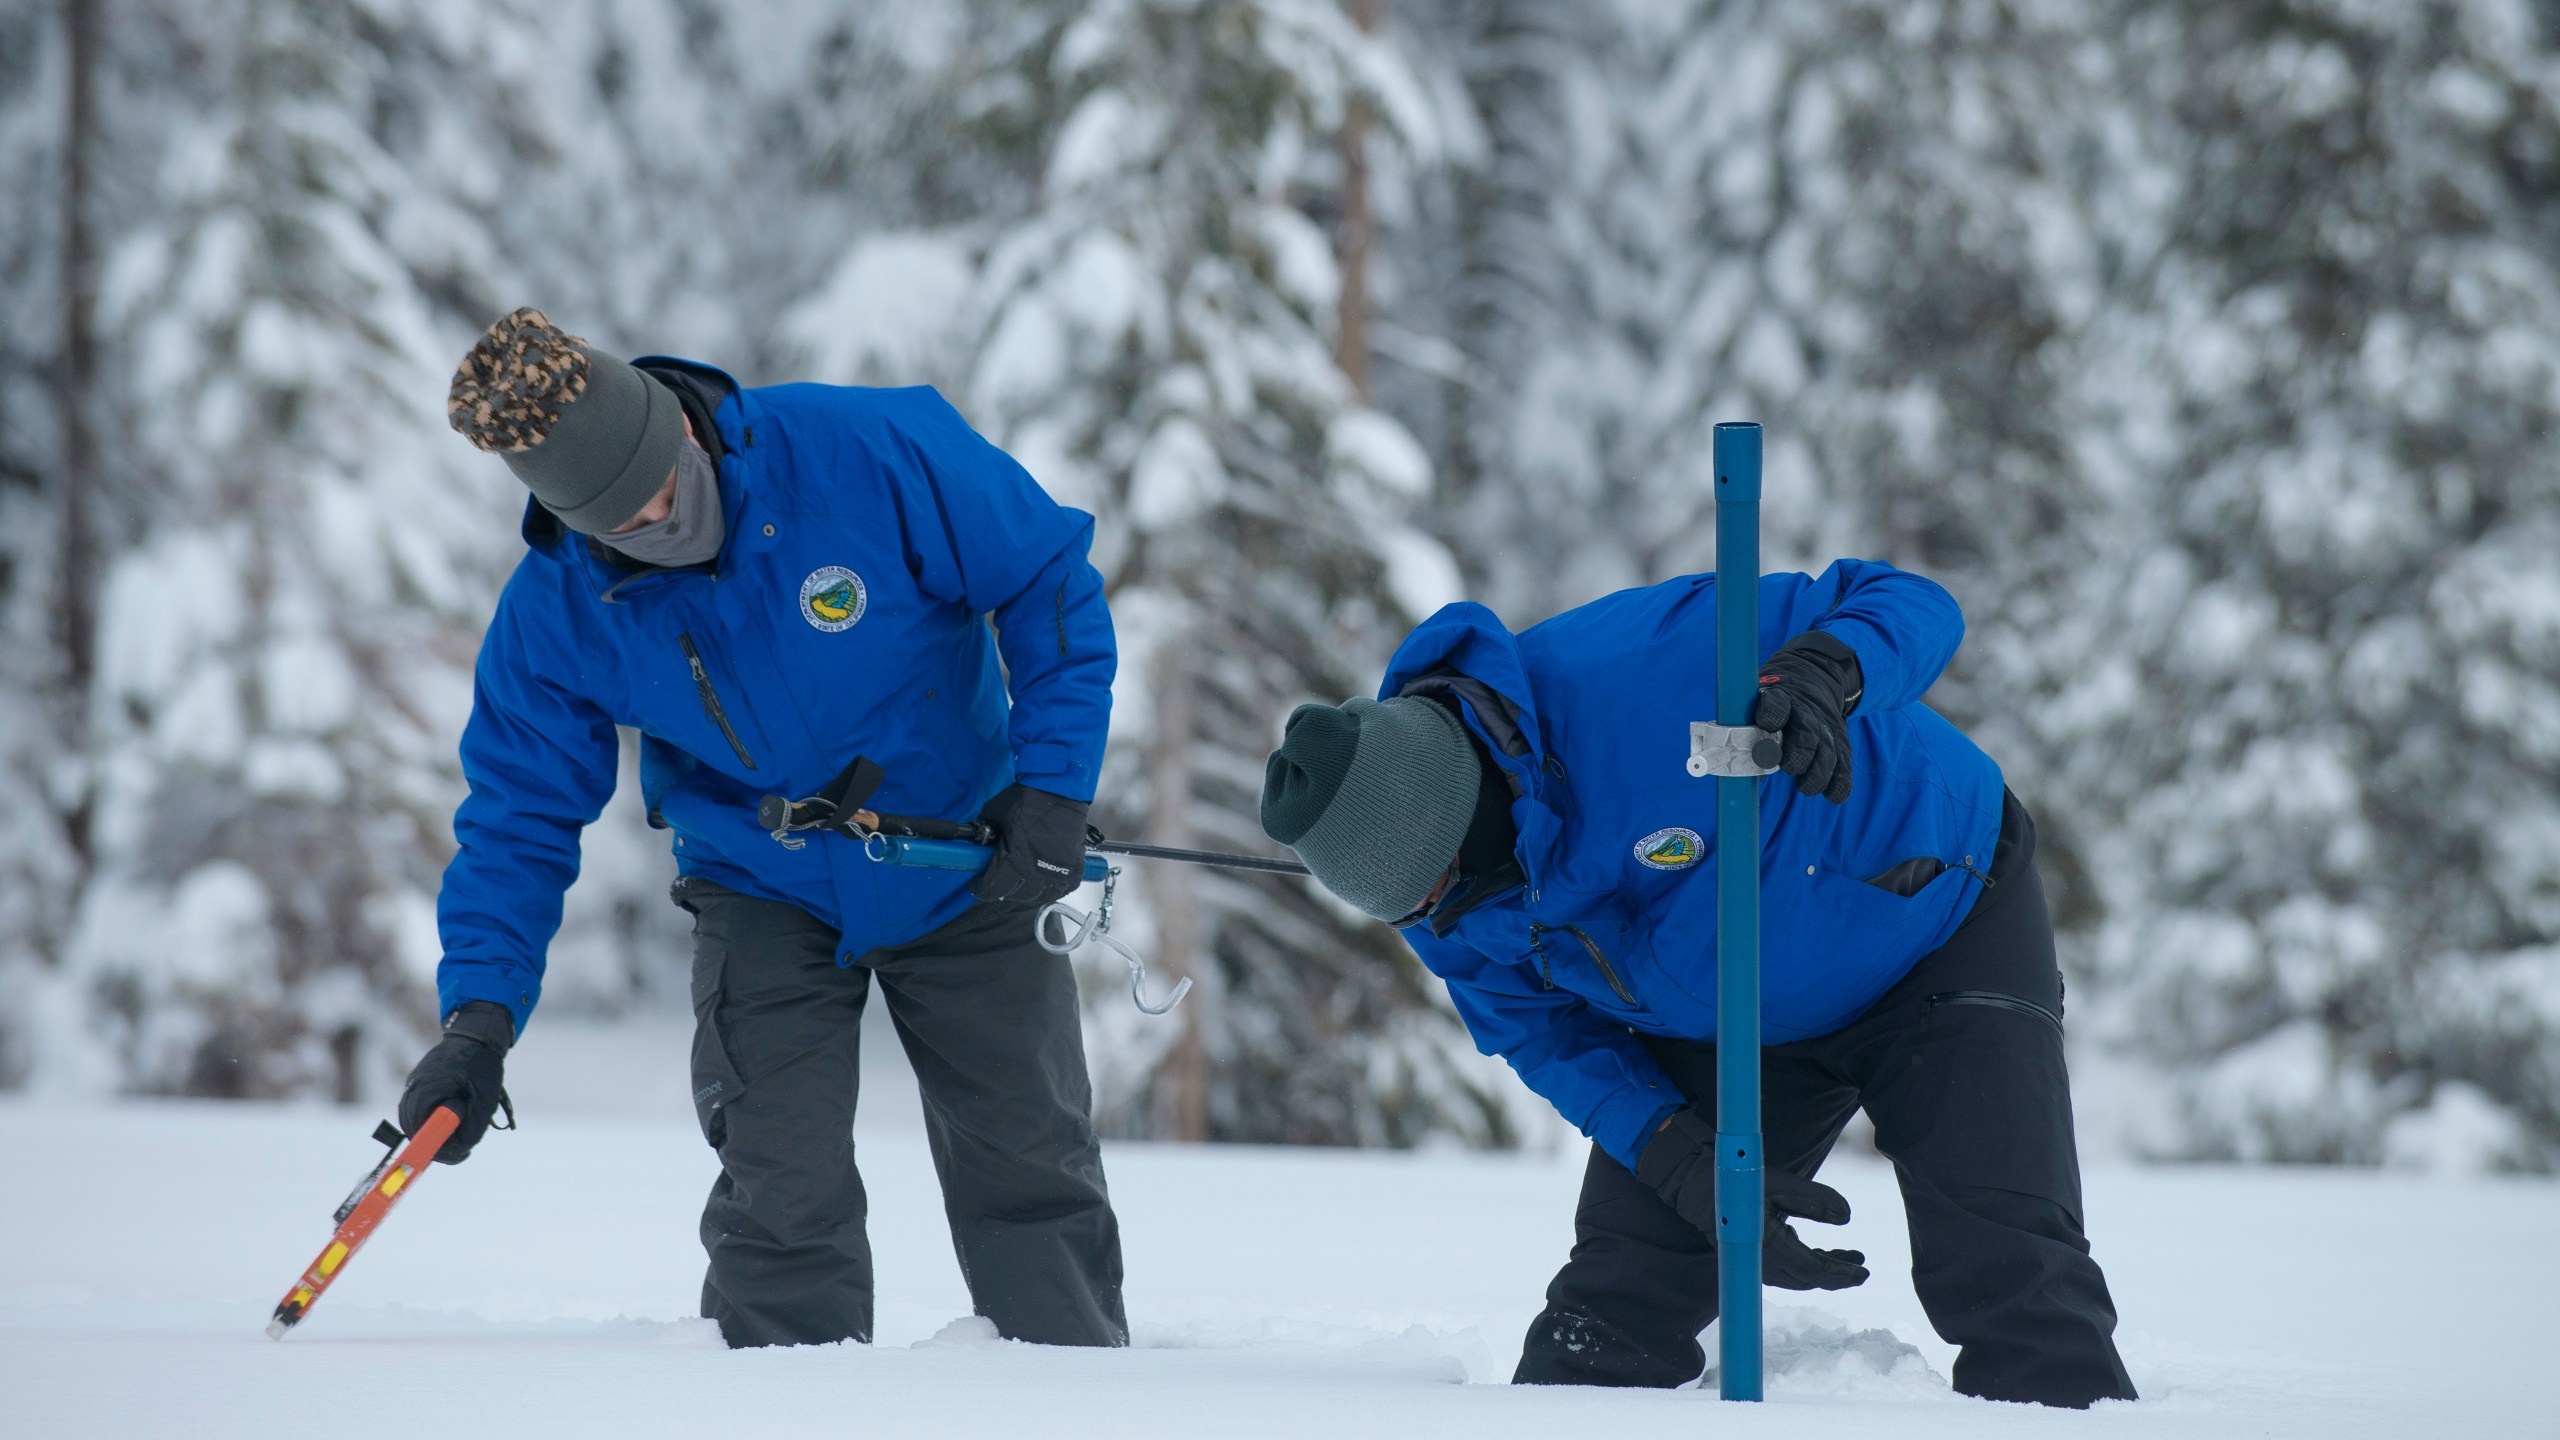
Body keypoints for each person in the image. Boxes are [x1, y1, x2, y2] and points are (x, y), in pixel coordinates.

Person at [396, 308, 1126, 1351]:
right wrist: (478, 1017)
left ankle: (1071, 1401)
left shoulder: (866, 453)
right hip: (762, 884)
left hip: (967, 858)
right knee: (781, 1188)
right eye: (628, 524)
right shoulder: (559, 608)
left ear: (685, 430)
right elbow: (517, 816)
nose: (662, 523)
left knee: (1031, 1166)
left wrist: (1052, 793)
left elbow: (1047, 578)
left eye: (667, 489)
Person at [1257, 559, 2137, 1407]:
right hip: (1722, 1014)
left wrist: (1827, 671)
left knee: (2013, 1278)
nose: (1429, 920)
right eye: (1408, 910)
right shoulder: (1446, 910)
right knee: (1610, 1313)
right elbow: (1547, 1037)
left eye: (1434, 887)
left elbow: (1911, 598)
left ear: (1457, 810)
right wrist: (1683, 1160)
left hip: (1933, 917)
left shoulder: (1641, 668)